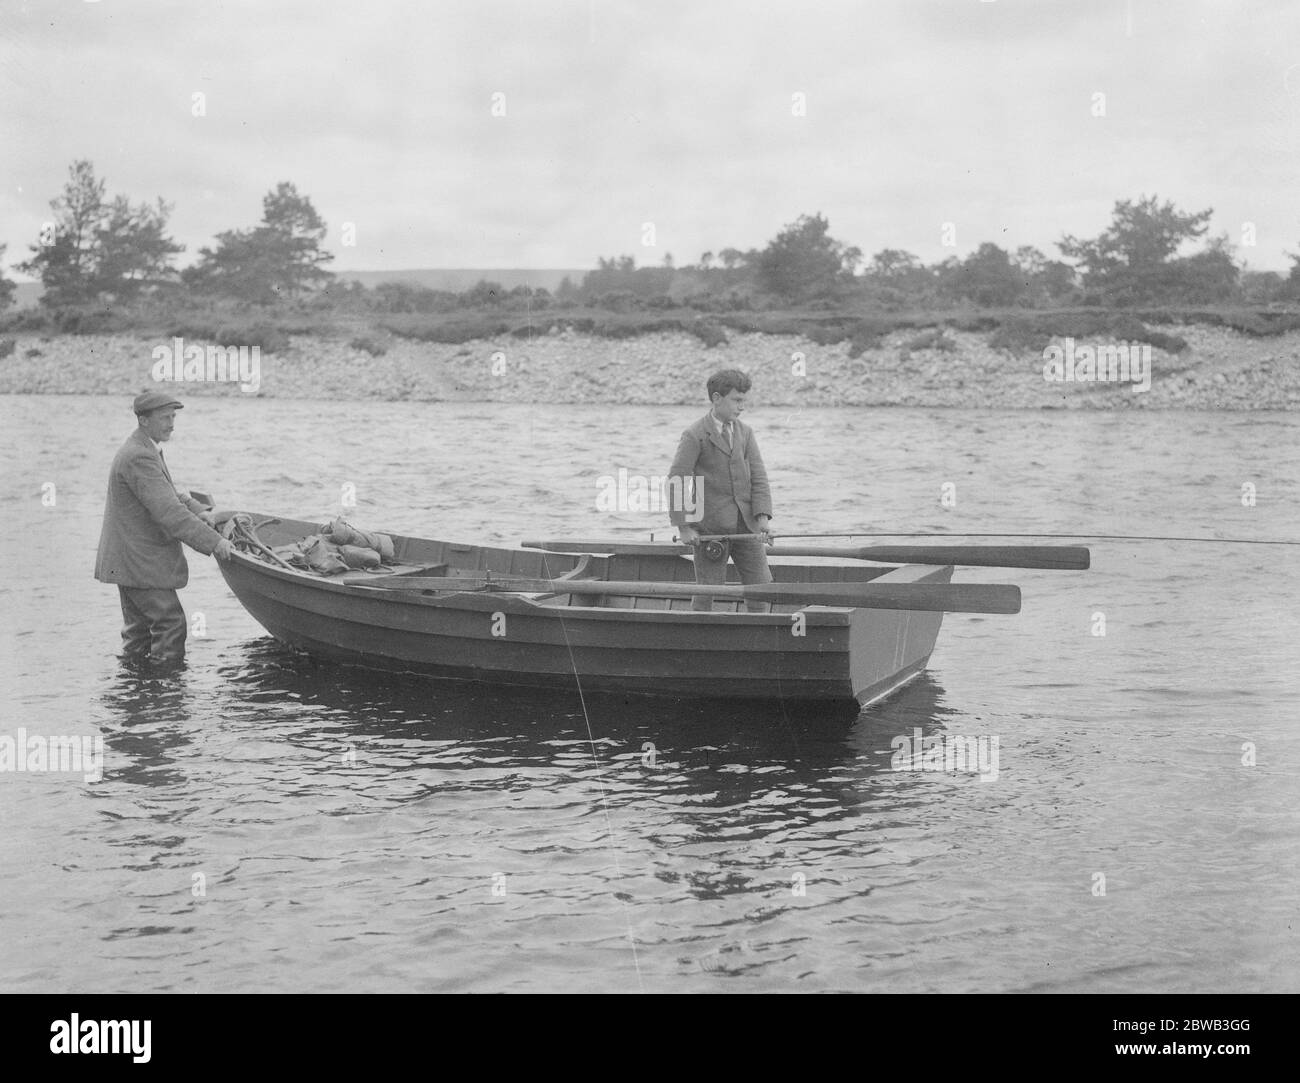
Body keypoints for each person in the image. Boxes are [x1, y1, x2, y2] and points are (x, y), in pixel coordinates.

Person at [94, 391, 234, 663]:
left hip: (128, 561)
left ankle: (135, 694)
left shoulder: (142, 447)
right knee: (170, 624)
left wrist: (198, 509)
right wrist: (216, 542)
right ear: (143, 420)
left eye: (173, 417)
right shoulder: (139, 456)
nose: (171, 424)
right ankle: (167, 695)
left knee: (139, 632)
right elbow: (168, 512)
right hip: (139, 562)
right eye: (165, 418)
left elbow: (167, 494)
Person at [666, 368, 774, 611]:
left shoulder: (745, 433)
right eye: (737, 400)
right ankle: (699, 638)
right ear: (716, 398)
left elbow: (758, 476)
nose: (741, 406)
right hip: (710, 529)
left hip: (748, 527)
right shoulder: (695, 435)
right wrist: (684, 527)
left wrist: (763, 518)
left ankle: (759, 635)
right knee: (708, 590)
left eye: (743, 401)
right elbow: (677, 480)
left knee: (762, 588)